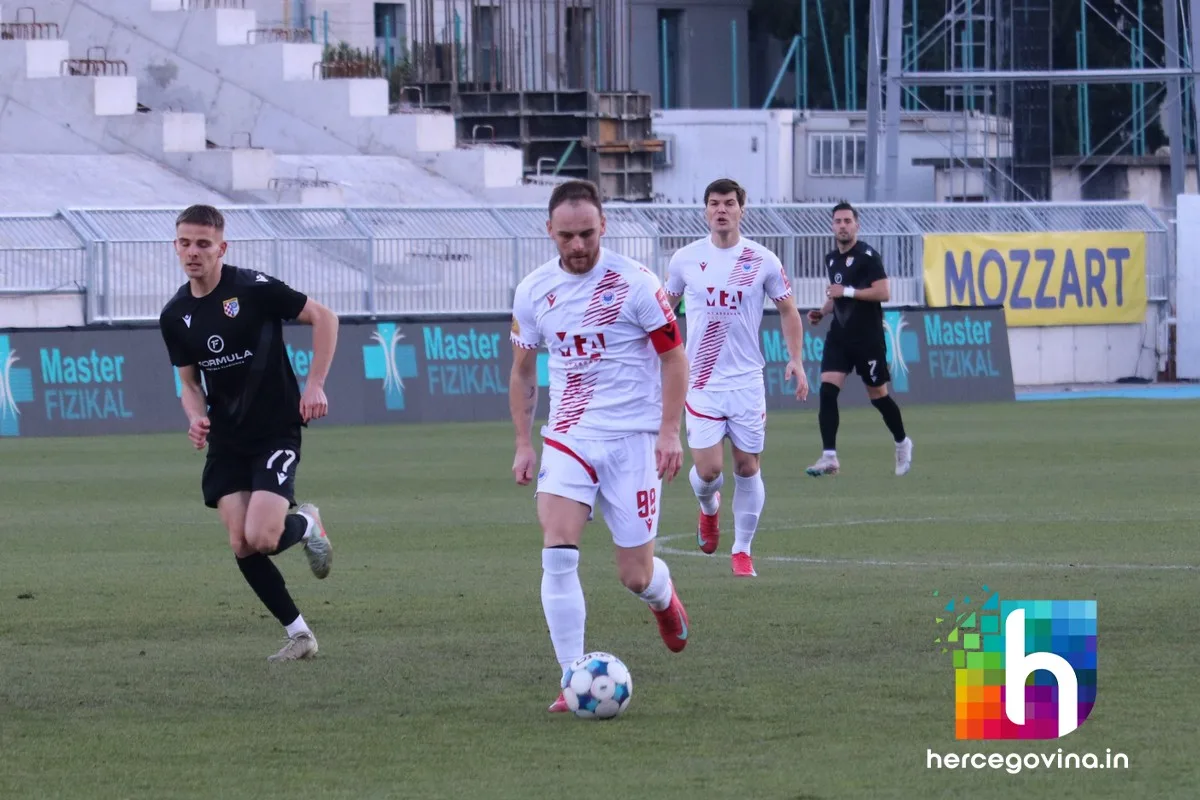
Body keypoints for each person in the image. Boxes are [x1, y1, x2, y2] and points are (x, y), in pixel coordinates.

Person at [508, 179, 692, 713]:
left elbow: (674, 358)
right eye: (567, 235)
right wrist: (523, 442)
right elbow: (523, 372)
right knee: (557, 552)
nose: (578, 245)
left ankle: (661, 595)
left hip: (633, 440)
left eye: (587, 233)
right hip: (569, 438)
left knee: (635, 575)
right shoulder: (532, 291)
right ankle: (572, 677)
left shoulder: (636, 283)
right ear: (549, 230)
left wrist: (670, 431)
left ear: (604, 226)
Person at [158, 204, 340, 662]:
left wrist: (315, 384)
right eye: (185, 243)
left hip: (275, 430)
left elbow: (325, 318)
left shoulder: (253, 289)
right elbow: (188, 384)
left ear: (222, 248)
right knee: (241, 542)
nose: (193, 252)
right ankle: (300, 635)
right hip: (227, 439)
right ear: (175, 246)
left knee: (262, 537)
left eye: (203, 244)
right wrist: (195, 417)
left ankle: (306, 523)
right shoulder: (175, 314)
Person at [663, 177, 809, 578]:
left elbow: (788, 310)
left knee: (747, 467)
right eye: (714, 203)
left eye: (729, 203)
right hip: (701, 381)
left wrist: (796, 359)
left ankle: (742, 550)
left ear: (742, 210)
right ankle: (708, 508)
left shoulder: (762, 260)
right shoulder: (685, 259)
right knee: (709, 470)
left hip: (746, 381)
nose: (721, 210)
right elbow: (663, 311)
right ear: (705, 210)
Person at [805, 201, 913, 477]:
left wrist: (847, 292)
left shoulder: (868, 256)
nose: (842, 226)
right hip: (840, 337)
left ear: (857, 225)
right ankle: (829, 457)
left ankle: (902, 442)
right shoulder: (831, 259)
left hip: (868, 338)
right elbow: (837, 297)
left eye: (847, 221)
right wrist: (822, 311)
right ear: (832, 226)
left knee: (878, 396)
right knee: (827, 390)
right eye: (838, 221)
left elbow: (883, 292)